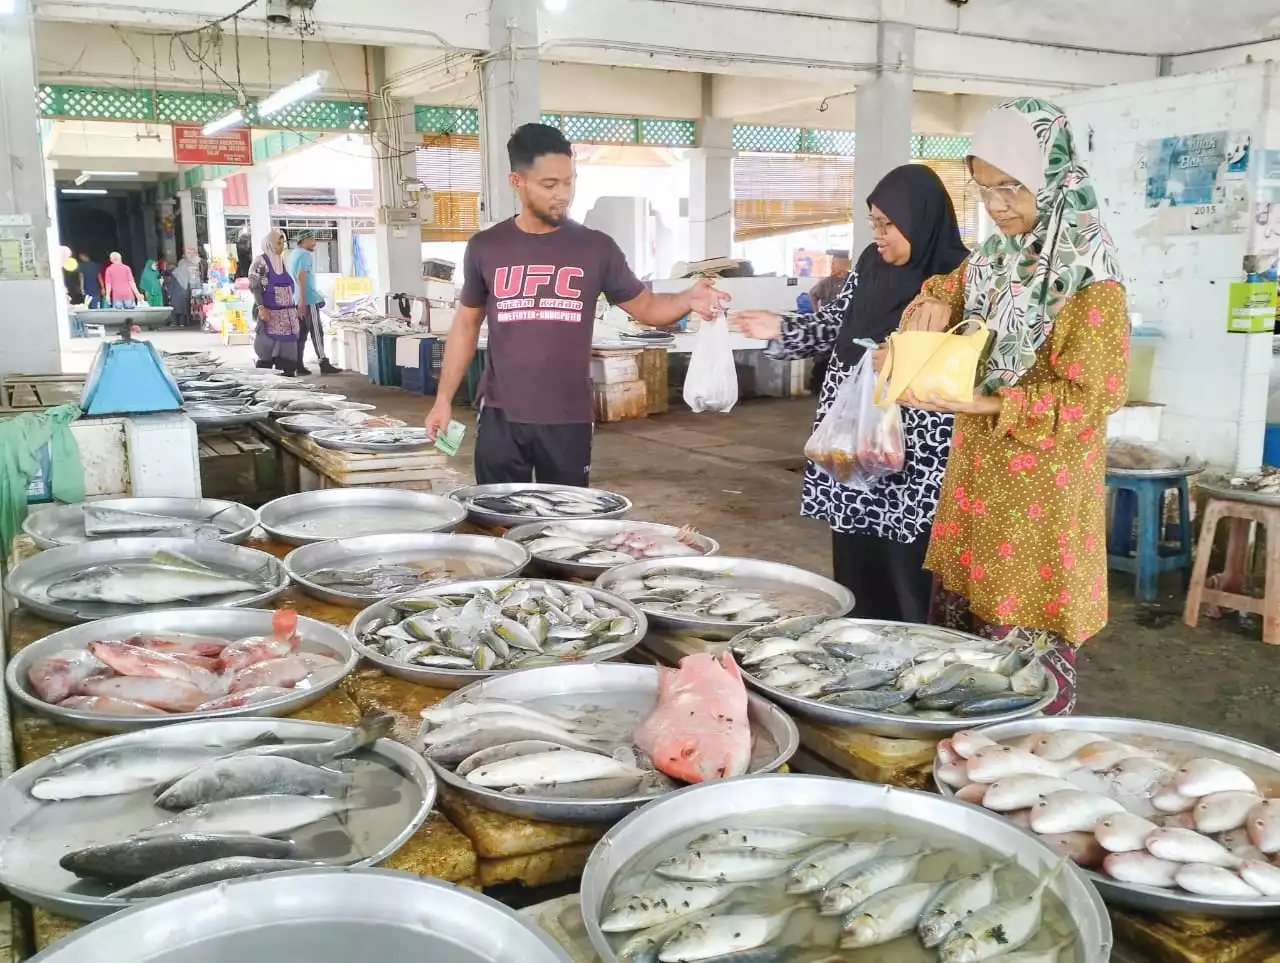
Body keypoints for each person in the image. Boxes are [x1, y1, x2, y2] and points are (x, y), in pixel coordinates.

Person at [897, 98, 1129, 715]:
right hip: (979, 477)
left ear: (1055, 177)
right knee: (958, 659)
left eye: (1012, 187)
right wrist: (939, 297)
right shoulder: (1000, 257)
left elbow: (1093, 397)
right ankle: (957, 756)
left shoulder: (1091, 283)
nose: (998, 205)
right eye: (984, 190)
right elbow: (957, 282)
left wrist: (986, 402)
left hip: (1039, 494)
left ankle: (1023, 762)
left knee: (1017, 664)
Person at [424, 123, 728, 485]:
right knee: (496, 522)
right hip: (501, 416)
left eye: (569, 181)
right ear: (517, 182)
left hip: (568, 418)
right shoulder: (486, 246)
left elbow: (645, 306)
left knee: (566, 524)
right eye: (550, 185)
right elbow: (466, 325)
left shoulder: (595, 248)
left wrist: (687, 298)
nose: (563, 194)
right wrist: (443, 399)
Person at [730, 165, 969, 623]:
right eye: (873, 224)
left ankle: (914, 654)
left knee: (907, 560)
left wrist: (907, 355)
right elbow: (838, 321)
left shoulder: (960, 278)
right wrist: (779, 327)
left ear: (920, 219)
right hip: (853, 434)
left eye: (888, 225)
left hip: (915, 449)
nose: (878, 235)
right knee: (856, 557)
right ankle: (858, 643)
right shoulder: (870, 265)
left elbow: (968, 356)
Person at [248, 230, 301, 376]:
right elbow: (255, 286)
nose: (282, 245)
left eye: (283, 242)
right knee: (267, 352)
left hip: (288, 319)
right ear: (269, 244)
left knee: (288, 355)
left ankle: (288, 382)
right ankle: (264, 387)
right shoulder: (261, 261)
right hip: (270, 315)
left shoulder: (282, 261)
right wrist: (261, 307)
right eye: (279, 242)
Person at [288, 230, 339, 375]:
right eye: (311, 239)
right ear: (304, 241)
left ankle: (298, 364)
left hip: (299, 298)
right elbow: (301, 275)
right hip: (308, 300)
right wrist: (304, 299)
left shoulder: (294, 254)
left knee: (301, 333)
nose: (314, 242)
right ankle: (323, 362)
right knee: (317, 332)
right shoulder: (304, 254)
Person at [165, 248, 197, 327]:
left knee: (175, 309)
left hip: (175, 294)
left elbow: (171, 284)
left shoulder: (175, 272)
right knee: (183, 309)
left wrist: (169, 293)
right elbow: (190, 283)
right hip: (184, 294)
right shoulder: (187, 273)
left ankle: (175, 322)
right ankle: (182, 323)